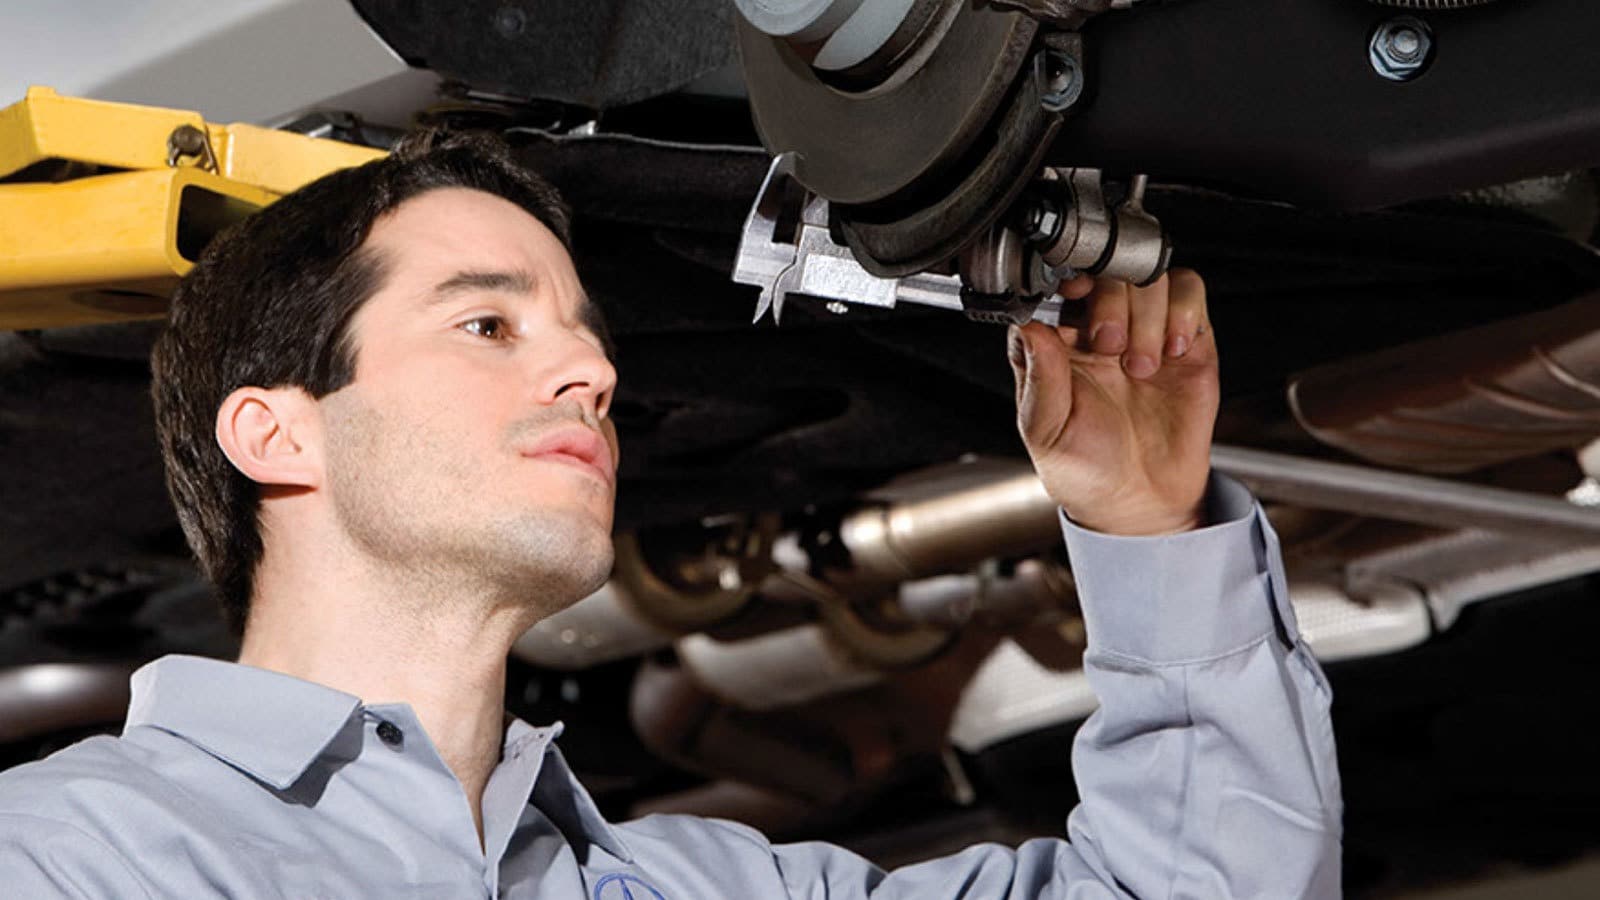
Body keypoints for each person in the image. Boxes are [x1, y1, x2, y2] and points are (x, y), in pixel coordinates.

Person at [0, 130, 1341, 898]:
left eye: (585, 336)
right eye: (488, 323)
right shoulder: (77, 859)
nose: (592, 370)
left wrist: (1146, 529)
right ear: (277, 429)